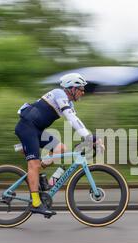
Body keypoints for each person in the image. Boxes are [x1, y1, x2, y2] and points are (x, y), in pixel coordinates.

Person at [15, 73, 103, 217]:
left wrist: (90, 137)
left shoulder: (69, 102)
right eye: (81, 88)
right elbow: (71, 118)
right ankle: (36, 204)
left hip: (37, 130)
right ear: (71, 88)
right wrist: (89, 137)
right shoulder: (58, 93)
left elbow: (76, 120)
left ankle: (40, 176)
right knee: (34, 165)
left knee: (60, 149)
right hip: (27, 127)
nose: (83, 92)